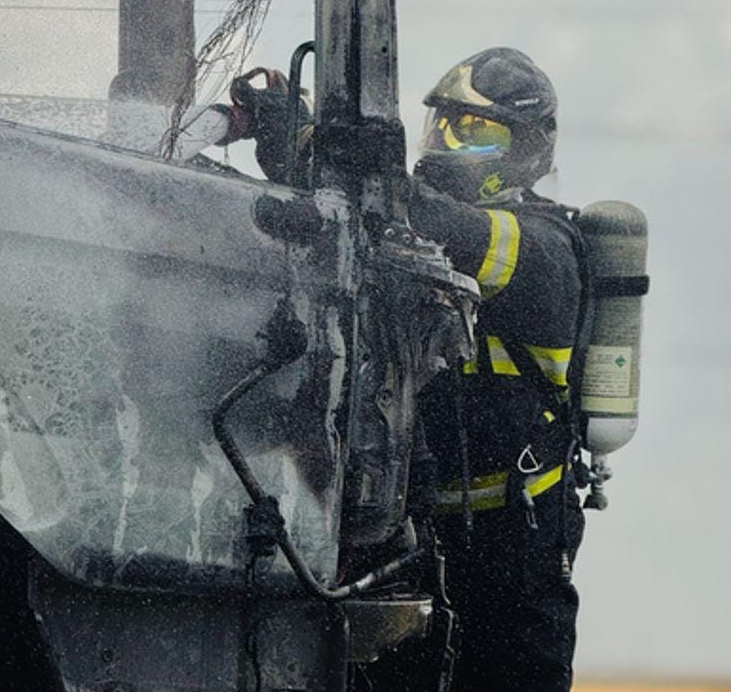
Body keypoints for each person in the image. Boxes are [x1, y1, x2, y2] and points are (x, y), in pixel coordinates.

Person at [235, 47, 587, 692]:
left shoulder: (543, 248)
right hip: (412, 536)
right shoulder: (413, 231)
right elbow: (361, 216)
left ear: (528, 148)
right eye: (443, 126)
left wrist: (324, 145)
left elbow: (436, 223)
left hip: (515, 545)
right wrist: (288, 146)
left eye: (476, 133)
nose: (449, 144)